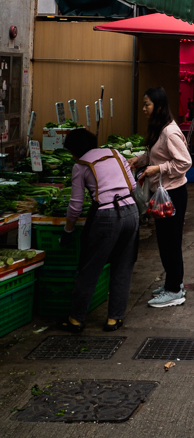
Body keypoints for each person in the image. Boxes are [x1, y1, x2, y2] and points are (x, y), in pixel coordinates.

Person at [59, 128, 139, 333]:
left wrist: (68, 231)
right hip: (131, 211)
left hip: (107, 216)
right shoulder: (115, 153)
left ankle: (76, 319)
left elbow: (75, 206)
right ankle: (114, 318)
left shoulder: (81, 165)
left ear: (74, 151)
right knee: (123, 266)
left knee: (90, 267)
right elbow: (132, 185)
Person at [131, 87, 192, 309]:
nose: (144, 108)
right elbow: (159, 153)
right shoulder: (160, 130)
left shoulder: (170, 132)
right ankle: (172, 283)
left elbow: (184, 162)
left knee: (170, 242)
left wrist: (156, 169)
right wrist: (141, 160)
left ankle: (174, 290)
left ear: (158, 105)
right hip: (163, 192)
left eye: (147, 104)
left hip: (173, 194)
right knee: (165, 241)